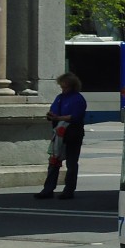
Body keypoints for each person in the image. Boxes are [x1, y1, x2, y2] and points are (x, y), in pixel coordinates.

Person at [34, 72, 88, 200]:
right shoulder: (60, 97)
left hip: (73, 132)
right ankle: (48, 189)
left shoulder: (78, 99)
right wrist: (52, 116)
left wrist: (58, 117)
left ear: (72, 86)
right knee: (54, 161)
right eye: (62, 87)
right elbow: (54, 110)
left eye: (66, 87)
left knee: (71, 162)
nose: (63, 90)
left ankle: (68, 190)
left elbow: (75, 116)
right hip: (59, 132)